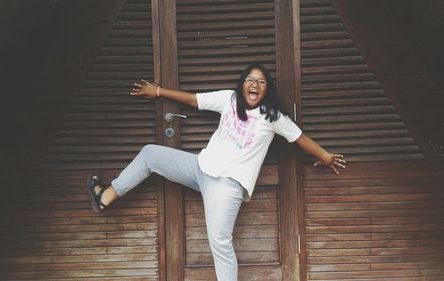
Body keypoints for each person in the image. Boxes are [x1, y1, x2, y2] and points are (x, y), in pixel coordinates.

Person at [87, 63, 346, 281]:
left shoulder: (273, 117)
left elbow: (299, 138)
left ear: (267, 89)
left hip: (227, 186)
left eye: (261, 82)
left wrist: (325, 156)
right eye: (249, 79)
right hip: (199, 167)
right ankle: (106, 197)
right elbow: (193, 99)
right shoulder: (229, 99)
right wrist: (157, 91)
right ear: (242, 84)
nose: (254, 84)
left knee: (220, 244)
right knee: (150, 154)